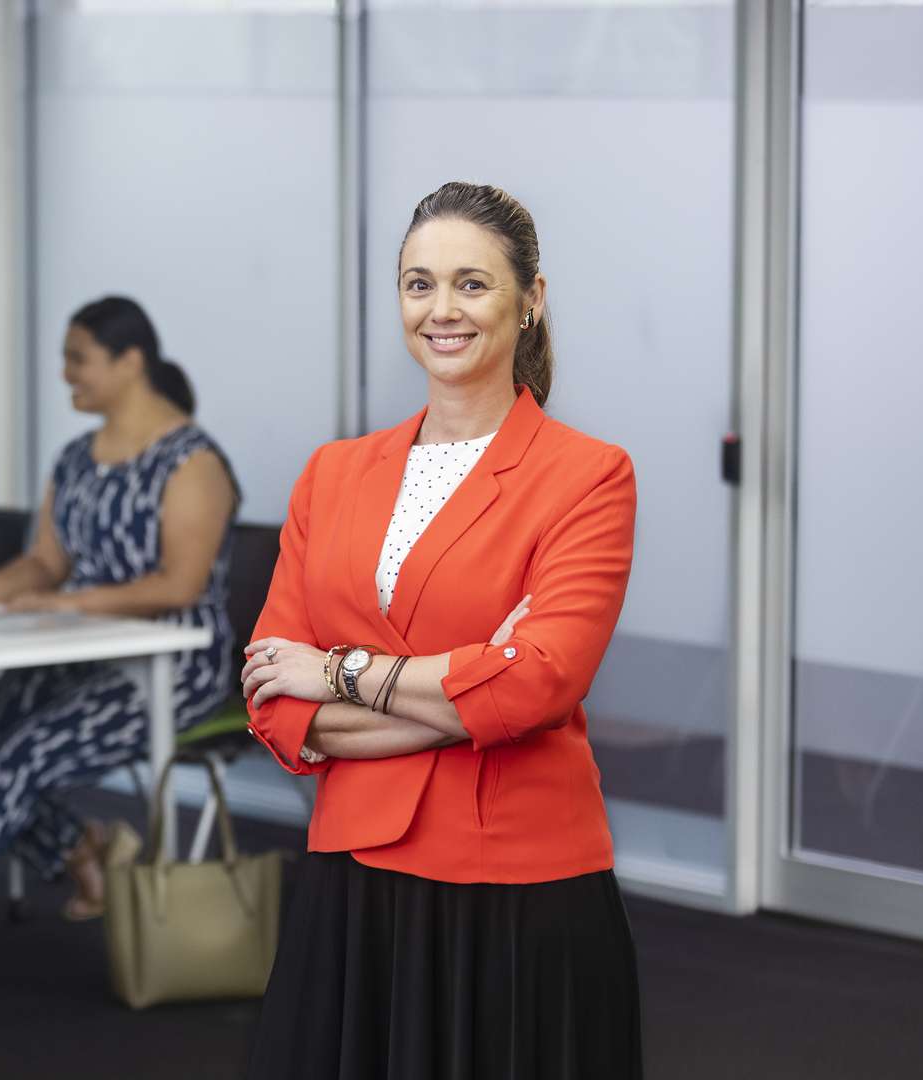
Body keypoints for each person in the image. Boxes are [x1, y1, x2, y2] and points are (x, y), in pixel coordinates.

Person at [241, 181, 642, 1077]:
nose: (441, 310)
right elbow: (272, 693)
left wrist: (338, 672)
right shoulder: (333, 473)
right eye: (418, 284)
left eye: (472, 283)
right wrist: (466, 692)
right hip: (354, 876)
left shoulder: (586, 476)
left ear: (530, 299)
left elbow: (539, 684)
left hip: (517, 881)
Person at [0, 296, 239, 969]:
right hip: (80, 646)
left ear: (131, 362)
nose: (66, 373)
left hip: (174, 664)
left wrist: (76, 604)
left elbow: (180, 586)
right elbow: (45, 564)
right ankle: (81, 847)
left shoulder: (192, 461)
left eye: (79, 359)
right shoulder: (73, 459)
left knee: (25, 753)